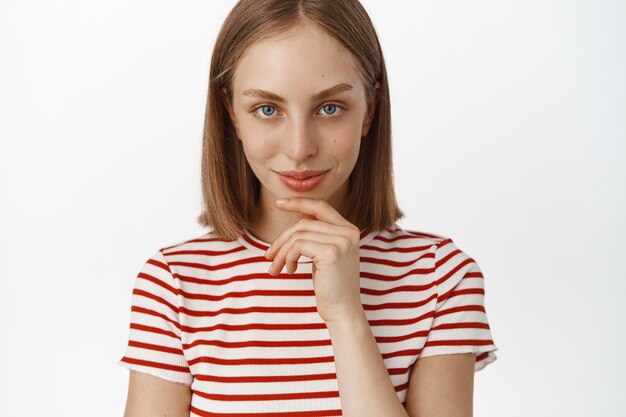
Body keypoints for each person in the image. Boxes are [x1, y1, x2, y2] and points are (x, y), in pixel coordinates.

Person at [118, 0, 498, 416]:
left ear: (370, 108)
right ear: (232, 114)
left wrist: (346, 315)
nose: (300, 148)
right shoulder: (175, 284)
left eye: (329, 108)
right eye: (267, 109)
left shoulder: (440, 279)